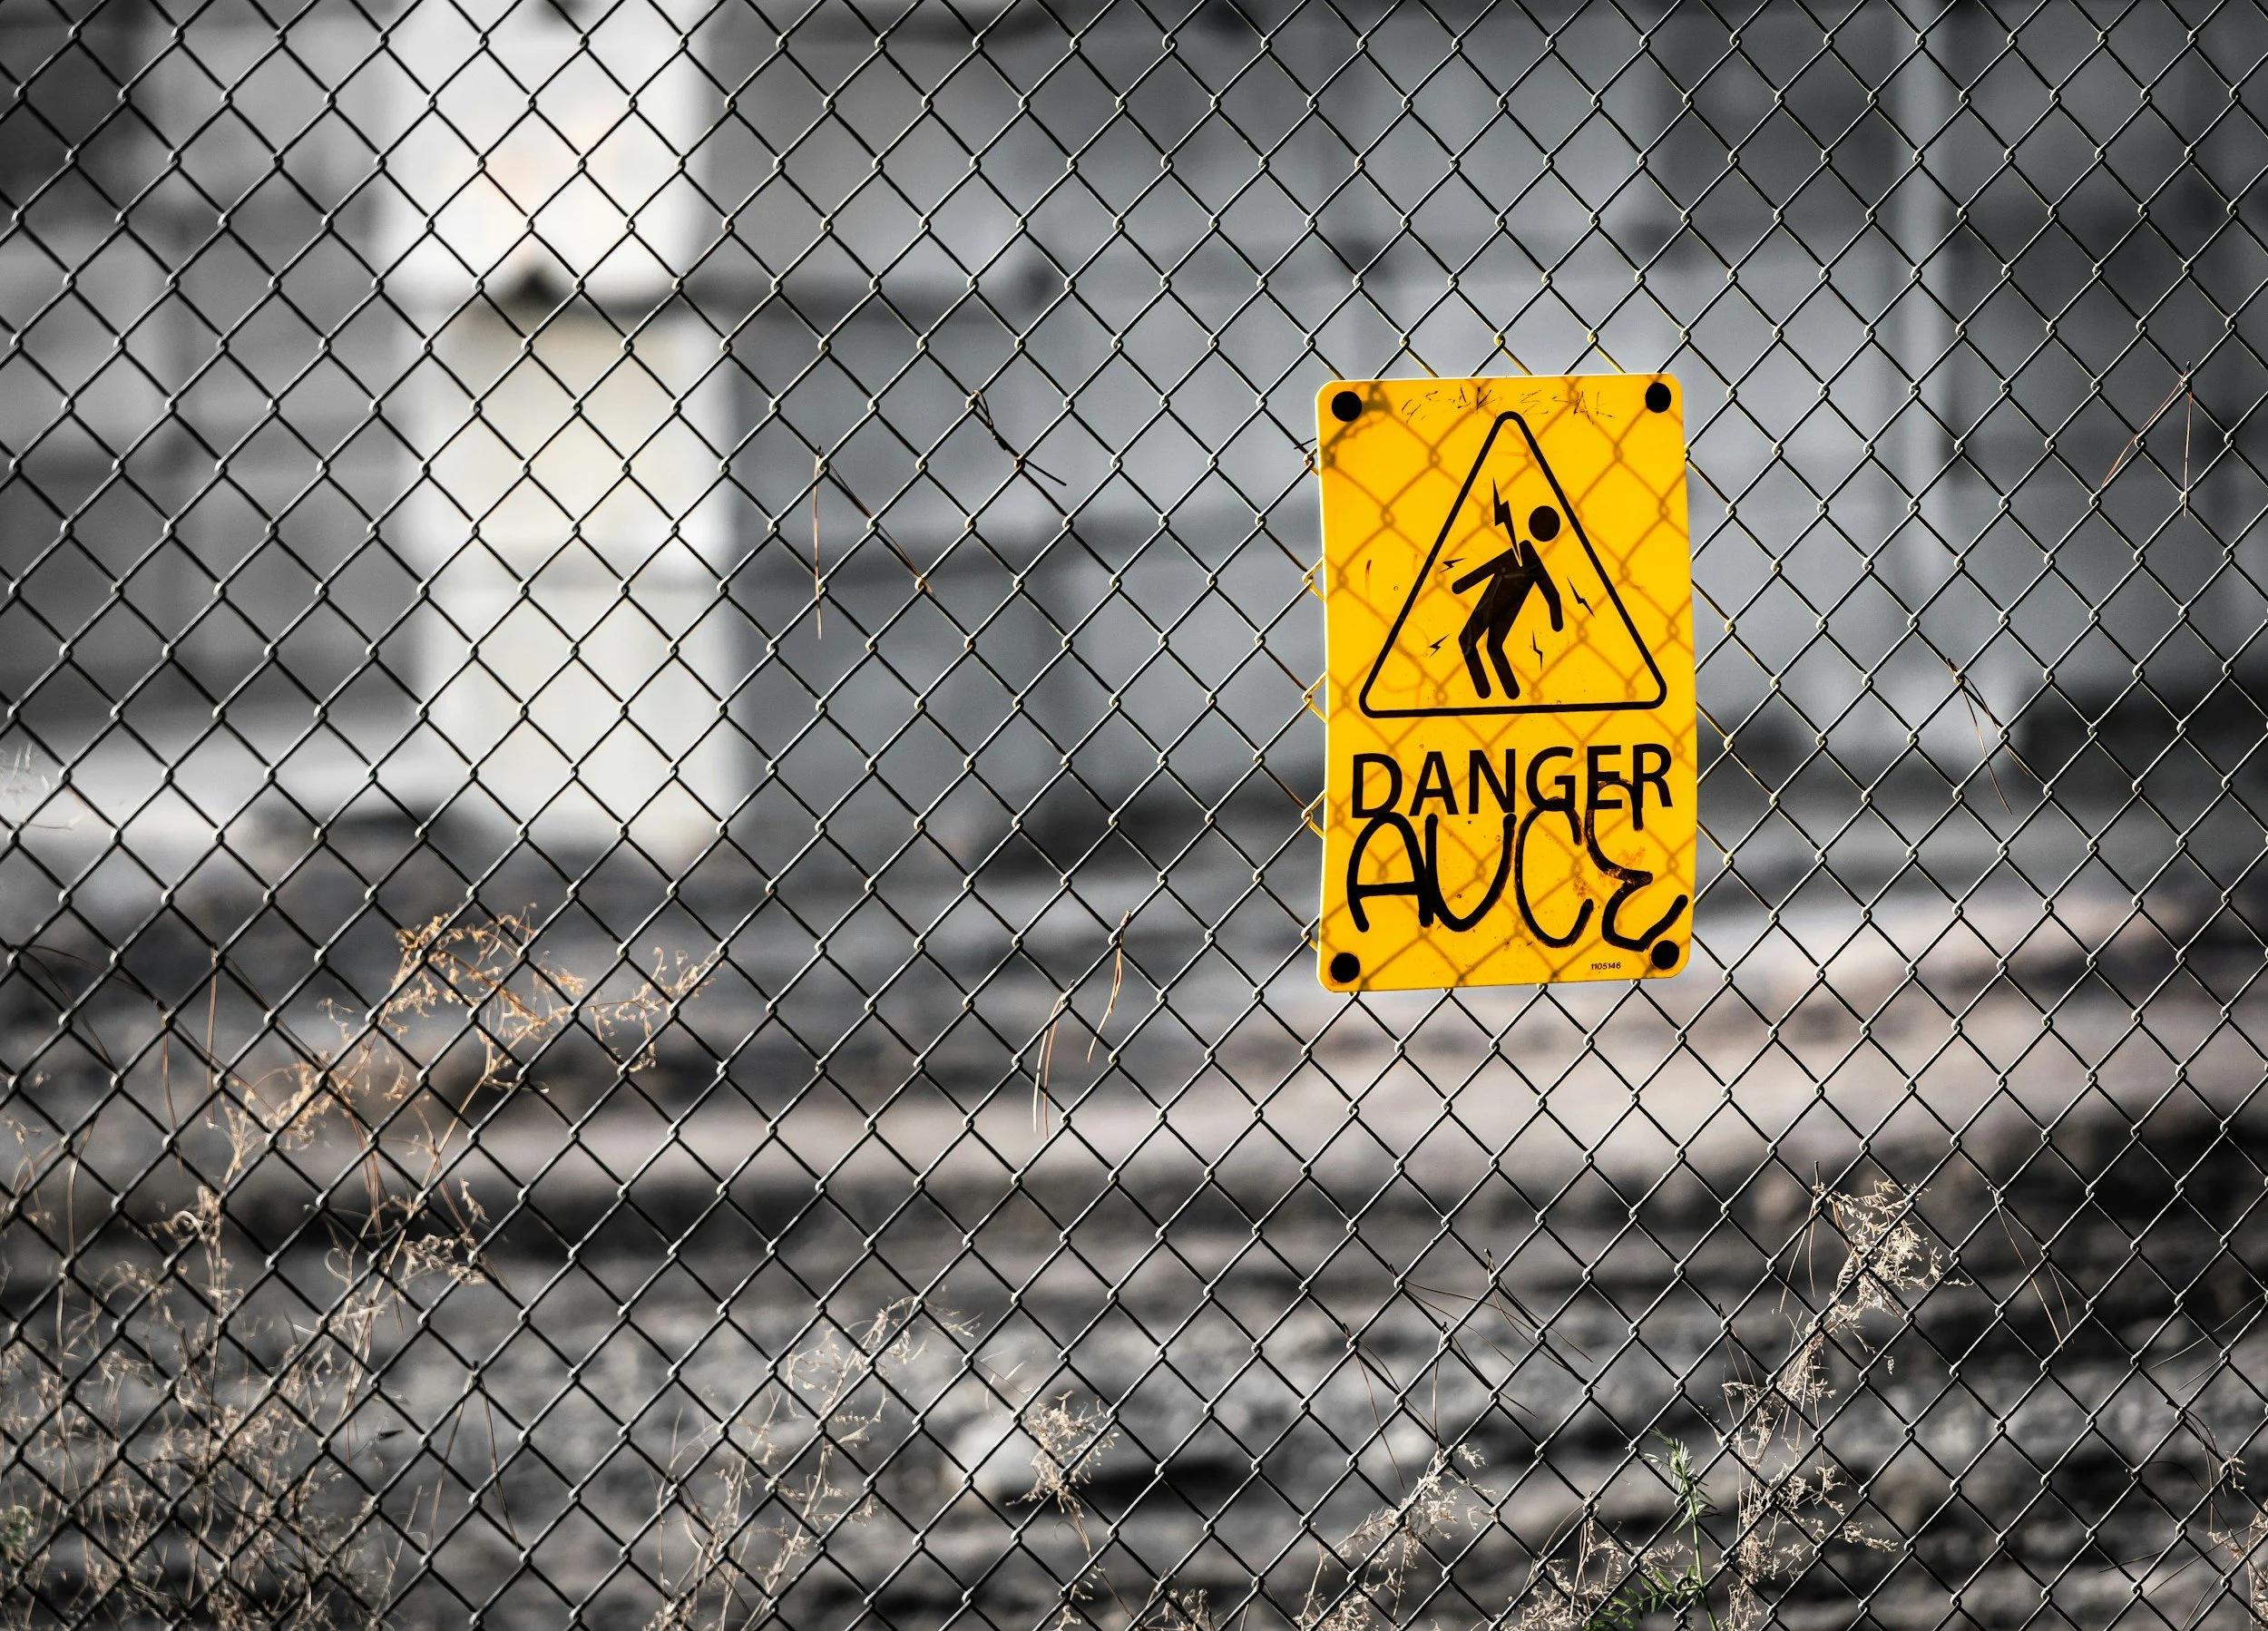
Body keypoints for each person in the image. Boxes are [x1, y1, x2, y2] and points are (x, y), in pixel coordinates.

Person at [1453, 487, 1564, 700]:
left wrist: (1462, 584)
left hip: (1494, 599)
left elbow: (1491, 568)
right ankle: (1502, 692)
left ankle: (1487, 691)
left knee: (1468, 641)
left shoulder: (1523, 551)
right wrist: (1555, 619)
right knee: (1493, 646)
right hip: (1511, 603)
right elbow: (1551, 592)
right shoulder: (1527, 554)